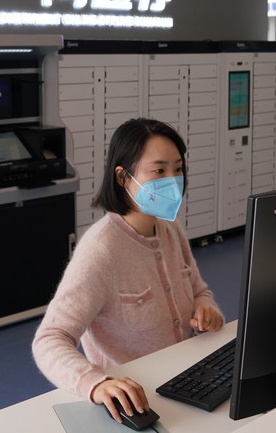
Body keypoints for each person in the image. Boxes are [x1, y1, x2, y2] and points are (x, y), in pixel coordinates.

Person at [32, 117, 225, 424]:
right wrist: (94, 383)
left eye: (178, 168)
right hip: (139, 401)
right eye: (159, 170)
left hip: (188, 381)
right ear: (123, 177)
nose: (174, 179)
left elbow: (199, 289)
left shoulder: (171, 228)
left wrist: (206, 307)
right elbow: (50, 339)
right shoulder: (101, 250)